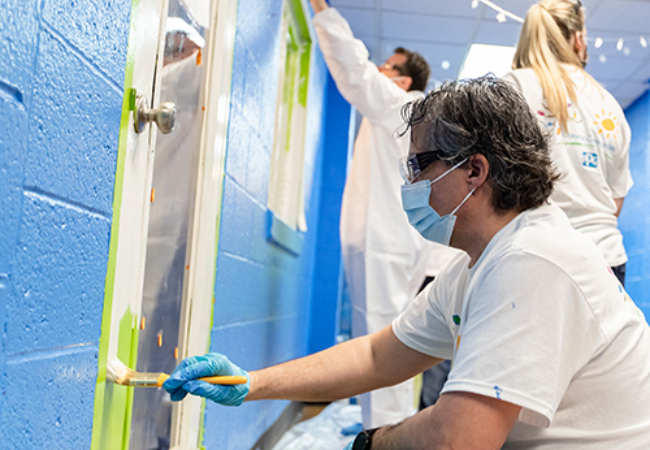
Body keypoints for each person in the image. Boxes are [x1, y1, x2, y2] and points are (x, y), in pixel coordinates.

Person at [163, 77, 650, 449]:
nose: (409, 184)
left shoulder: (533, 261)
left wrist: (374, 442)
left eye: (419, 166)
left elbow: (458, 438)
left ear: (474, 172)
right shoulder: (479, 264)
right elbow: (378, 356)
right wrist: (250, 383)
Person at [308, 0, 447, 428]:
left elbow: (356, 71)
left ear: (403, 81)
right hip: (393, 245)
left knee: (379, 343)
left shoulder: (402, 106)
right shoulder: (400, 115)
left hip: (386, 244)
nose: (379, 70)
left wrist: (321, 10)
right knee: (383, 339)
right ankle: (384, 428)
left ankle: (384, 433)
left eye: (388, 66)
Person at [503, 0, 632, 285]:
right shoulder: (607, 102)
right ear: (577, 39)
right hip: (605, 259)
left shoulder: (514, 87)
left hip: (537, 257)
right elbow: (615, 199)